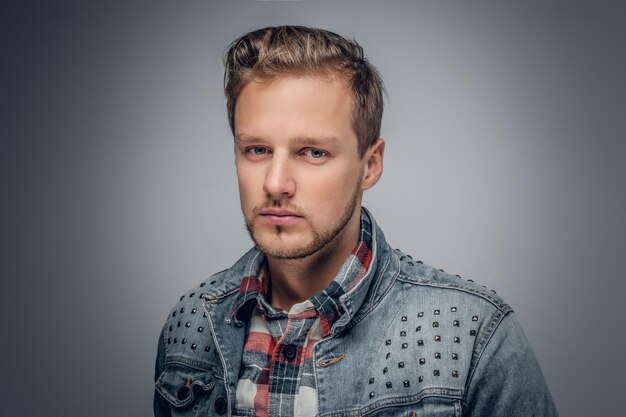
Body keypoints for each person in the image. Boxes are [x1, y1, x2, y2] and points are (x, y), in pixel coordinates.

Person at [154, 25, 558, 417]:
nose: (276, 183)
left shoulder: (470, 336)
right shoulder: (191, 326)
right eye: (257, 149)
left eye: (313, 153)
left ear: (370, 164)